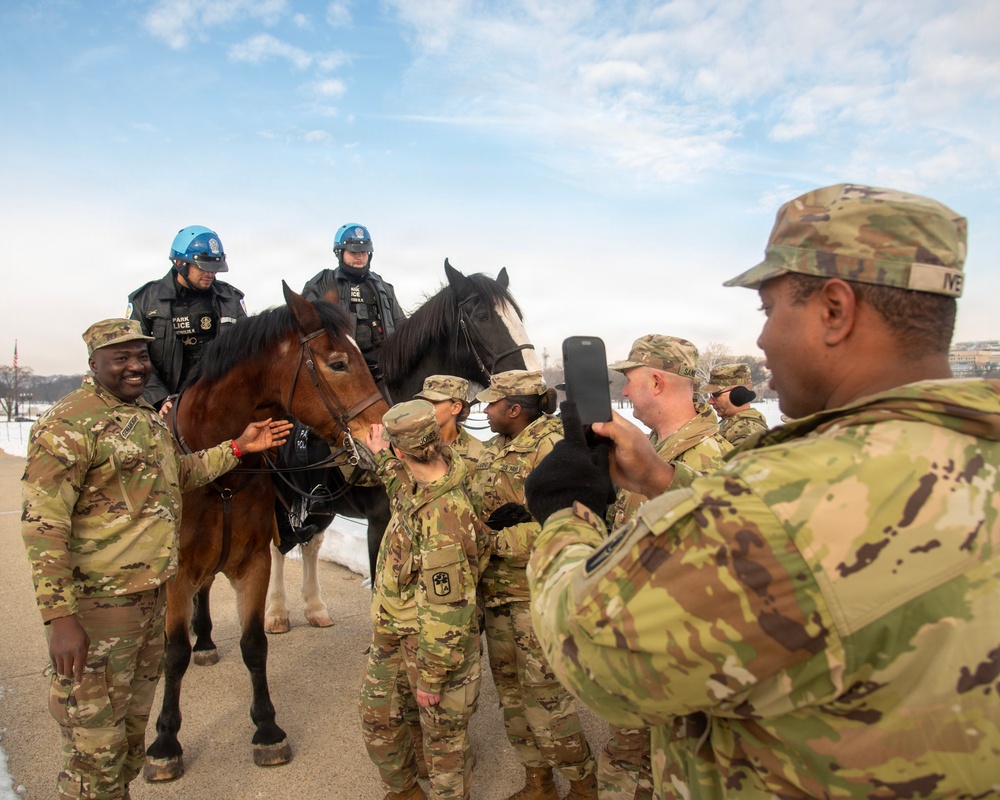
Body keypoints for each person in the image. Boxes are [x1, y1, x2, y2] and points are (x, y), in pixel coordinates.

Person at [523, 184, 1000, 799]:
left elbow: (593, 658)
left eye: (768, 311)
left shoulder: (795, 499)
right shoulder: (969, 450)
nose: (763, 343)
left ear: (835, 309)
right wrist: (668, 481)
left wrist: (566, 510)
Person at [21, 318, 292, 800]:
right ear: (94, 363)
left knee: (126, 745)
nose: (135, 367)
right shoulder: (68, 424)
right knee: (93, 756)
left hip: (147, 605)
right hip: (99, 612)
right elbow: (44, 526)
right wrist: (60, 616)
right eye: (120, 358)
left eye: (141, 357)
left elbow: (181, 473)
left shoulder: (146, 418)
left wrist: (238, 447)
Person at [601, 335, 732, 800]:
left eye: (631, 382)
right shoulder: (654, 447)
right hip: (639, 646)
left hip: (674, 659)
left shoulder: (704, 459)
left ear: (656, 381)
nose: (626, 394)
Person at [470, 370, 598, 800]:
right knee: (511, 697)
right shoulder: (493, 448)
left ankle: (583, 787)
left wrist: (492, 540)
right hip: (498, 594)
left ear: (514, 409)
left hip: (535, 598)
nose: (483, 410)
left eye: (491, 404)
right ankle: (538, 782)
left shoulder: (554, 446)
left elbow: (572, 524)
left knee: (548, 701)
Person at [360, 400, 488, 800]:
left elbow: (448, 609)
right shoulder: (419, 478)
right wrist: (381, 453)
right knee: (378, 718)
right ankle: (404, 791)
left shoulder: (443, 516)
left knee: (443, 745)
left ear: (404, 450)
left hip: (430, 642)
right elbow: (398, 483)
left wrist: (432, 677)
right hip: (393, 629)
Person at [127, 225, 247, 412]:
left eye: (215, 268)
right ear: (179, 263)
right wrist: (159, 398)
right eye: (203, 267)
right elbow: (133, 356)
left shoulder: (230, 299)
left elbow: (248, 349)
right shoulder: (145, 301)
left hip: (220, 402)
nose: (211, 274)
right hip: (164, 406)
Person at [302, 222, 406, 381]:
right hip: (342, 374)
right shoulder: (322, 283)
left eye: (364, 252)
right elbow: (305, 327)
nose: (360, 256)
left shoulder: (383, 287)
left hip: (385, 371)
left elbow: (400, 325)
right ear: (340, 252)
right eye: (354, 252)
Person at [415, 375, 486, 472]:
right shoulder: (412, 445)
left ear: (456, 408)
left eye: (434, 402)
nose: (426, 408)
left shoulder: (479, 454)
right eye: (424, 402)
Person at [703, 363, 769, 446]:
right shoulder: (732, 425)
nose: (710, 401)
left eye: (716, 395)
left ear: (738, 394)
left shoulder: (747, 433)